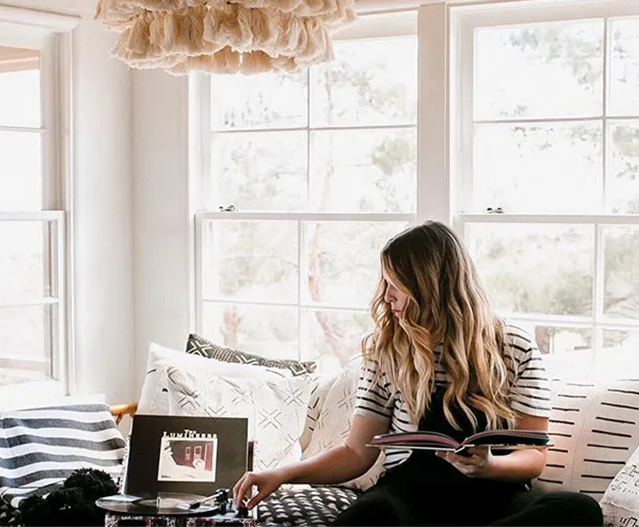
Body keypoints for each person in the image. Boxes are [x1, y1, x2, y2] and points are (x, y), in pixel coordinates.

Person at [233, 221, 603, 526]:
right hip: (409, 496)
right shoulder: (386, 349)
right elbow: (356, 452)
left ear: (430, 285)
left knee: (576, 509)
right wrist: (284, 474)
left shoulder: (514, 347)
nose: (386, 296)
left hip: (497, 497)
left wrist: (489, 465)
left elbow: (533, 454)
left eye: (396, 284)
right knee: (369, 516)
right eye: (385, 283)